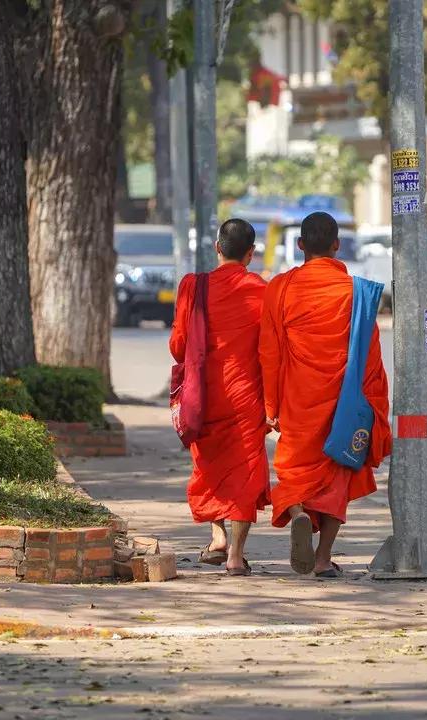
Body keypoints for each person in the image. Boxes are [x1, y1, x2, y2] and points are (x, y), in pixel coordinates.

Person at [259, 211, 392, 578]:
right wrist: (372, 402)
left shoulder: (279, 288)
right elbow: (370, 355)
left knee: (294, 471)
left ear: (301, 245)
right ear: (336, 246)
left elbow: (268, 354)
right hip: (344, 403)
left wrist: (270, 407)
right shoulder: (357, 293)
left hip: (296, 401)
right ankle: (322, 559)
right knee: (337, 475)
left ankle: (299, 512)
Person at [169, 218, 270, 576]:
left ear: (216, 247)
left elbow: (178, 346)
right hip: (245, 396)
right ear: (251, 254)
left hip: (204, 395)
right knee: (244, 472)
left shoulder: (192, 287)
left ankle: (217, 536)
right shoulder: (260, 290)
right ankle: (235, 557)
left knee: (208, 466)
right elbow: (270, 350)